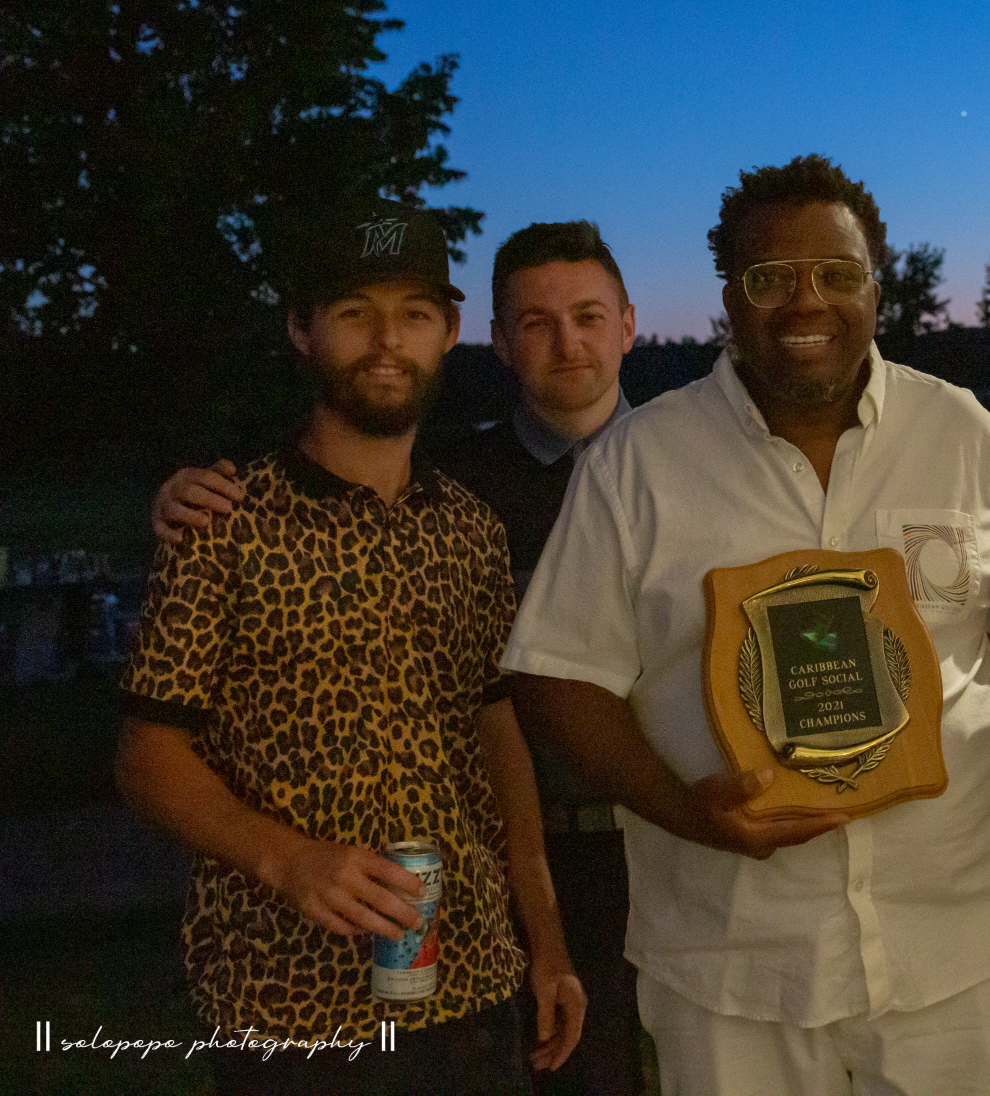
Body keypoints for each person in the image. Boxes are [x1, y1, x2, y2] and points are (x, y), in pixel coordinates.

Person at [502, 153, 990, 1095]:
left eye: (838, 274)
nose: (808, 301)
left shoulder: (963, 435)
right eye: (770, 278)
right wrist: (686, 812)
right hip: (733, 959)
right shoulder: (638, 463)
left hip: (957, 942)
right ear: (729, 296)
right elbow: (556, 674)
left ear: (876, 287)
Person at [150, 219, 644, 1096]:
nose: (386, 341)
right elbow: (146, 751)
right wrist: (287, 860)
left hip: (474, 977)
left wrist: (544, 940)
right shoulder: (225, 520)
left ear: (445, 333)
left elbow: (494, 731)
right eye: (354, 312)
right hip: (290, 994)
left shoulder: (465, 525)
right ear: (302, 328)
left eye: (413, 314)